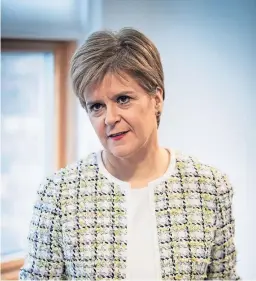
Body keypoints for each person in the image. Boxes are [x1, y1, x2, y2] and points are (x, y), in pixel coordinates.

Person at [20, 27, 240, 280]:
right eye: (96, 106)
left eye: (123, 99)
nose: (110, 118)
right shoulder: (59, 194)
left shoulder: (210, 188)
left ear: (156, 99)